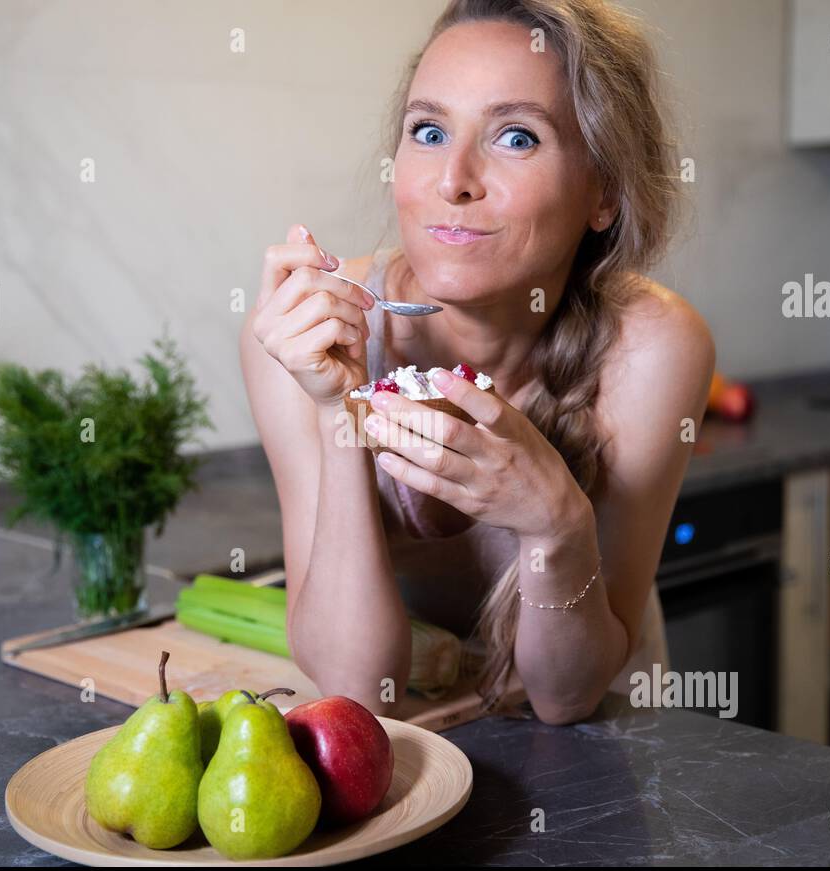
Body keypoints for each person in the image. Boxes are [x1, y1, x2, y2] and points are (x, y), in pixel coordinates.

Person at [240, 0, 713, 724]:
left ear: (605, 193)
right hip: (409, 753)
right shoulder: (304, 335)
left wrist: (557, 521)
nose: (452, 179)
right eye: (429, 131)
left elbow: (566, 698)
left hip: (597, 754)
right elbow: (360, 690)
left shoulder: (652, 347)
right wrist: (342, 412)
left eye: (516, 137)